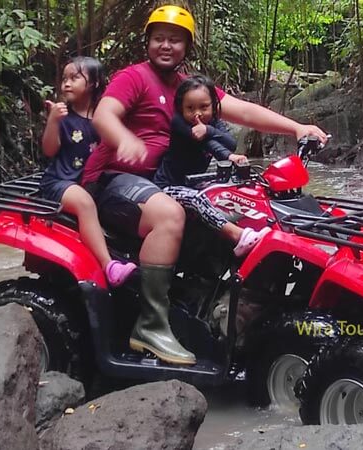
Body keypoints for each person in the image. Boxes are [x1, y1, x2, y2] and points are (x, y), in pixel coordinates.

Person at [81, 5, 327, 366]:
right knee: (169, 215)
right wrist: (122, 138)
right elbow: (105, 114)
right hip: (117, 182)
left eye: (175, 40)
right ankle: (150, 326)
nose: (166, 45)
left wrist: (296, 128)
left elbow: (241, 110)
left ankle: (233, 316)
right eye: (159, 38)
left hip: (169, 181)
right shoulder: (132, 77)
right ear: (147, 41)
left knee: (251, 210)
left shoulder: (189, 87)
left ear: (187, 46)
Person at [39, 56, 137, 287]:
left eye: (74, 78)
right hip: (60, 182)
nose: (66, 84)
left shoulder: (105, 117)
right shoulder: (62, 115)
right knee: (85, 204)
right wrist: (53, 121)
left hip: (91, 180)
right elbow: (49, 150)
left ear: (93, 83)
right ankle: (109, 266)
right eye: (64, 78)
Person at [152, 74, 270, 257]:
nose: (197, 113)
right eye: (190, 108)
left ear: (214, 106)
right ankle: (238, 236)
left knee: (228, 192)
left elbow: (230, 141)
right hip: (167, 186)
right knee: (198, 198)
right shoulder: (179, 123)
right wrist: (229, 156)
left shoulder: (213, 123)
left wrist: (209, 129)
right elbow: (209, 145)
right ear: (180, 108)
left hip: (192, 182)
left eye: (203, 107)